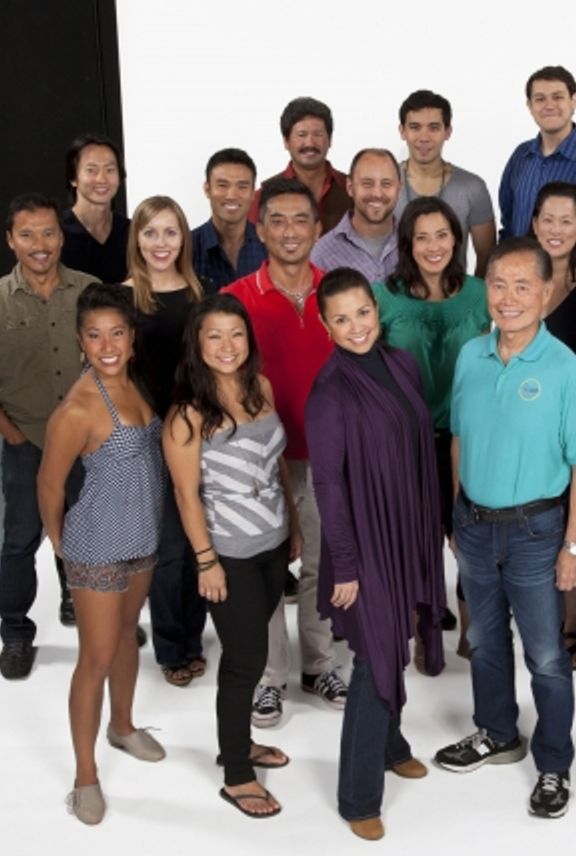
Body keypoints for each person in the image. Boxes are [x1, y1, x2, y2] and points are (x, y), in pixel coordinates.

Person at [435, 237, 576, 821]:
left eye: (523, 286)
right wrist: (458, 504)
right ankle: (496, 731)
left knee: (547, 657)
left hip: (537, 532)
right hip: (475, 528)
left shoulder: (566, 371)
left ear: (547, 292)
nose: (508, 299)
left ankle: (553, 763)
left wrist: (573, 546)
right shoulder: (470, 357)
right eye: (498, 285)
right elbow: (459, 435)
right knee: (483, 641)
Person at [306, 269, 447, 841]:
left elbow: (419, 446)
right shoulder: (329, 392)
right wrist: (345, 563)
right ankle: (358, 796)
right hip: (363, 544)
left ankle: (392, 746)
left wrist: (428, 529)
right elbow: (328, 487)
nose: (355, 326)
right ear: (325, 325)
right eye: (340, 319)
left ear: (375, 308)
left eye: (361, 312)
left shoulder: (401, 363)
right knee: (373, 657)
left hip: (407, 530)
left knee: (397, 642)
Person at [163, 293, 299, 818]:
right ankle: (237, 774)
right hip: (229, 554)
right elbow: (185, 495)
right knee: (244, 662)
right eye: (214, 336)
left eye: (236, 334)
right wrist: (206, 561)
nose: (227, 346)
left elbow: (277, 463)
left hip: (271, 544)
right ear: (197, 344)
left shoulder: (259, 388)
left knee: (257, 651)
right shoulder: (187, 414)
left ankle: (239, 742)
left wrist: (291, 525)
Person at [37, 283, 165, 825]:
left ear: (132, 339)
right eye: (95, 335)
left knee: (129, 637)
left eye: (116, 333)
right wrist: (62, 544)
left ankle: (123, 726)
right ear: (80, 342)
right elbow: (48, 482)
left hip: (142, 539)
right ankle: (84, 775)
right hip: (97, 548)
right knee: (95, 657)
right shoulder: (77, 409)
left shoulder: (135, 385)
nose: (107, 344)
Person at [223, 177, 348, 726]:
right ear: (260, 227)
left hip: (328, 456)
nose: (291, 231)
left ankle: (319, 665)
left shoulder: (341, 294)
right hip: (258, 459)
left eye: (302, 220)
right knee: (267, 569)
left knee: (323, 562)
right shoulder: (235, 299)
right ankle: (268, 677)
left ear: (318, 228)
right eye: (278, 220)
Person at [0, 193, 98, 679]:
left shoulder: (89, 291)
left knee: (87, 533)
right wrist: (14, 438)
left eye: (49, 233)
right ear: (10, 240)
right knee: (20, 539)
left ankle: (81, 605)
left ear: (61, 236)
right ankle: (15, 634)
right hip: (28, 443)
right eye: (28, 235)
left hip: (85, 442)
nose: (40, 245)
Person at [372, 196, 489, 664]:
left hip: (469, 437)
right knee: (418, 540)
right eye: (422, 237)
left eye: (443, 235)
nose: (433, 246)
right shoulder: (384, 295)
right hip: (408, 441)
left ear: (457, 240)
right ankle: (424, 629)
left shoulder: (481, 293)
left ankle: (471, 626)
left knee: (469, 537)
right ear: (407, 243)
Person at [123, 196, 209, 687]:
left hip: (197, 430)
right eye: (151, 232)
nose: (161, 243)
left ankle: (194, 636)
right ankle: (171, 645)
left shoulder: (200, 293)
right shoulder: (126, 296)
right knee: (169, 546)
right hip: (149, 437)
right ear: (137, 238)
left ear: (184, 239)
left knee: (201, 537)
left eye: (170, 232)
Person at [527, 181, 576, 668]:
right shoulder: (521, 276)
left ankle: (574, 627)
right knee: (537, 529)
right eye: (547, 220)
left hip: (575, 427)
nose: (555, 230)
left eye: (566, 221)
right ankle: (540, 618)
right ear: (534, 224)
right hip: (528, 428)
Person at [393, 90, 496, 276]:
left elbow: (486, 255)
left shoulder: (472, 188)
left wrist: (474, 298)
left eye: (433, 127)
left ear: (447, 132)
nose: (424, 137)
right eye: (415, 127)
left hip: (455, 298)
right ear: (402, 131)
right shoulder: (386, 186)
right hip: (395, 298)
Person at [498, 66, 576, 240]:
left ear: (574, 100)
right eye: (540, 99)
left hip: (574, 266)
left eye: (558, 97)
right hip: (521, 265)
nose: (549, 105)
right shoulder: (521, 155)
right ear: (530, 105)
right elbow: (508, 223)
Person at [246, 97, 351, 234]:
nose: (310, 143)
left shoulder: (352, 190)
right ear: (286, 141)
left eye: (318, 134)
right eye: (301, 135)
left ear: (330, 140)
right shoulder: (263, 197)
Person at [311, 148, 402, 283]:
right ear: (350, 187)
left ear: (399, 189)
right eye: (367, 184)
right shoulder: (322, 254)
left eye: (386, 184)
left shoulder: (417, 243)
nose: (377, 193)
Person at [191, 148, 267, 292]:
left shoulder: (269, 245)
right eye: (222, 185)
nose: (232, 195)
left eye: (242, 186)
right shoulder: (187, 248)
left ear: (253, 193)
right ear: (207, 189)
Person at [59, 134, 130, 284]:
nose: (102, 179)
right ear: (73, 178)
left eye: (110, 170)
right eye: (91, 170)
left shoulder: (132, 231)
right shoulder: (56, 232)